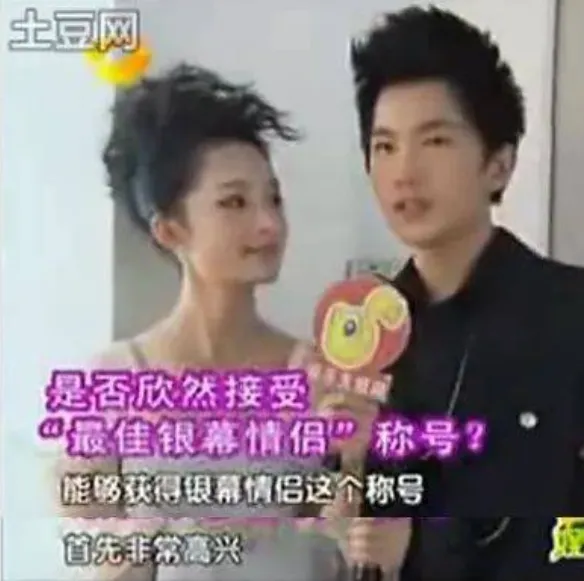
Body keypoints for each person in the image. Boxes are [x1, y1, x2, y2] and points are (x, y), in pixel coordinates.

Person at [335, 6, 584, 581]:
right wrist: (343, 473)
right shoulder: (363, 334)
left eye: (434, 140)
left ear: (498, 163)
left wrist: (426, 549)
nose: (403, 172)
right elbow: (347, 538)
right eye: (385, 146)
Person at [50, 64, 378, 581]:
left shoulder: (318, 378)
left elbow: (347, 552)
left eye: (273, 199)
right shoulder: (113, 383)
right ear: (170, 229)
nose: (268, 223)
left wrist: (356, 463)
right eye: (234, 202)